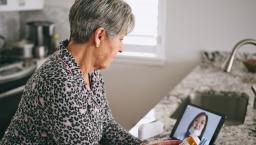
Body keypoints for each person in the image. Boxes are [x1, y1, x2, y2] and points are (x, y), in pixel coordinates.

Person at [0, 0, 181, 145]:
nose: (121, 48)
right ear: (99, 35)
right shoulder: (59, 81)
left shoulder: (90, 71)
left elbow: (106, 125)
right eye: (120, 38)